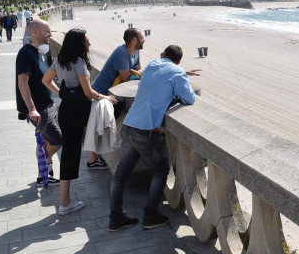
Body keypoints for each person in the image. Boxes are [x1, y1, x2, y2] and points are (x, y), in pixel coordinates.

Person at [109, 45, 197, 232]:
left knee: (120, 176)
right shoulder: (177, 72)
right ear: (178, 61)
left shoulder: (150, 65)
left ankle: (115, 218)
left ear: (163, 54)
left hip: (129, 124)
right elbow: (189, 98)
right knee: (161, 169)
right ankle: (150, 216)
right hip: (146, 131)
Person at [42, 28, 119, 215]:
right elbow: (89, 93)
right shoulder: (79, 62)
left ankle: (64, 202)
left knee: (69, 153)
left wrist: (61, 93)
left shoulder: (60, 60)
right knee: (114, 109)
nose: (89, 44)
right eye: (87, 41)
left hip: (66, 111)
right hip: (80, 111)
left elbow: (45, 80)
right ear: (79, 44)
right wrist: (105, 97)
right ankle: (97, 157)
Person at [88, 28, 145, 168]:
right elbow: (126, 78)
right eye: (142, 38)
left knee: (105, 124)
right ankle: (92, 159)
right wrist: (135, 73)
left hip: (111, 93)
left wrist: (135, 72)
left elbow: (140, 69)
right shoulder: (121, 53)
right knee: (101, 125)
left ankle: (95, 157)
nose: (144, 40)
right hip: (100, 94)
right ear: (134, 40)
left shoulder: (135, 51)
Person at [16, 19, 62, 186]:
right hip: (40, 110)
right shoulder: (25, 53)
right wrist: (32, 109)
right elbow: (22, 83)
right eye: (47, 32)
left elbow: (45, 79)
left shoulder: (40, 52)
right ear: (35, 32)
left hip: (47, 105)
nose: (50, 35)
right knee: (58, 140)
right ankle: (45, 166)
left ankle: (43, 175)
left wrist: (60, 93)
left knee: (45, 141)